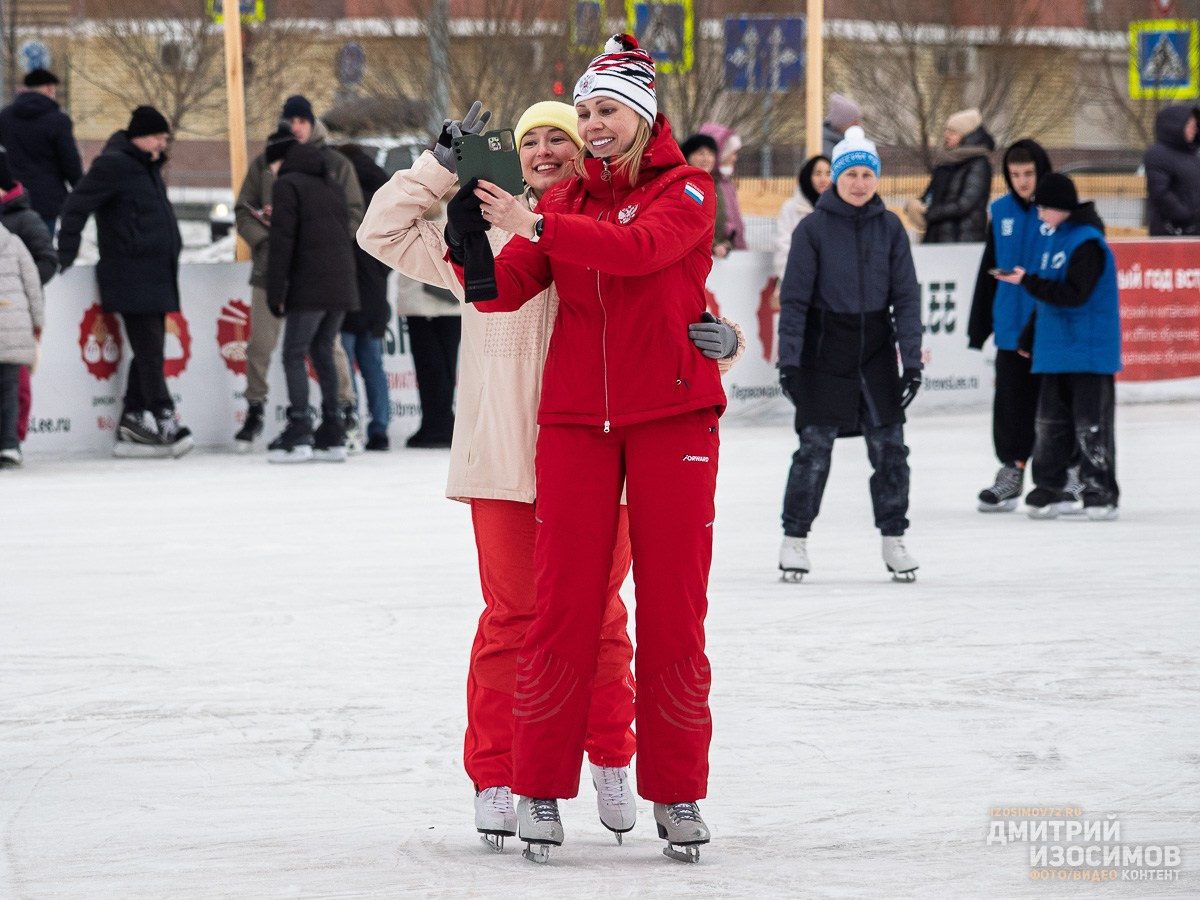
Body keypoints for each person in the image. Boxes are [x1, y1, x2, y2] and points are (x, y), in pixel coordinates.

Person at [358, 95, 744, 854]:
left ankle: (610, 759)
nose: (544, 149)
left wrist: (725, 340)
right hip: (508, 461)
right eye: (530, 139)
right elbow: (380, 230)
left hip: (615, 454)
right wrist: (441, 166)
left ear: (587, 152)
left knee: (600, 619)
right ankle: (499, 774)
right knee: (515, 617)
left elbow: (682, 312)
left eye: (559, 138)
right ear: (513, 157)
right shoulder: (480, 241)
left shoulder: (616, 230)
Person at [451, 35, 727, 862]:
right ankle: (537, 786)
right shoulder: (563, 202)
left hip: (673, 418)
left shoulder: (688, 190)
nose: (591, 124)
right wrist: (472, 229)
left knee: (675, 608)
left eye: (605, 110)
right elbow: (503, 293)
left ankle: (675, 793)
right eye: (584, 111)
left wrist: (535, 220)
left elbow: (638, 253)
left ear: (640, 116)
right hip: (574, 423)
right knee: (559, 606)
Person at [777, 126, 923, 582]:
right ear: (835, 179)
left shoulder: (891, 227)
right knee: (814, 451)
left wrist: (912, 361)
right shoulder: (812, 229)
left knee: (891, 451)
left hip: (876, 350)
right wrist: (790, 362)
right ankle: (794, 540)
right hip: (825, 351)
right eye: (851, 174)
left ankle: (894, 538)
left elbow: (907, 299)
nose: (860, 183)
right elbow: (795, 300)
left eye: (867, 174)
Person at [57, 105, 192, 458]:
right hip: (130, 272)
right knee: (149, 349)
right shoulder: (113, 165)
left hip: (156, 274)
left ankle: (132, 418)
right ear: (141, 136)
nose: (163, 145)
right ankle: (163, 414)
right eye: (160, 137)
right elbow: (75, 206)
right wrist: (65, 253)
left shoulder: (147, 168)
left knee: (151, 348)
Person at [233, 95, 363, 452]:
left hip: (309, 274)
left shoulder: (331, 166)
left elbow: (352, 214)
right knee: (265, 344)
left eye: (301, 121)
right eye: (290, 122)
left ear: (312, 123)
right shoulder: (267, 161)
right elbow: (244, 209)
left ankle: (328, 415)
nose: (296, 128)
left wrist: (323, 239)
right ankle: (264, 410)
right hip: (281, 268)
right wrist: (264, 241)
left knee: (315, 347)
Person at [994, 173, 1121, 521]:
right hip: (1054, 351)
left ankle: (1099, 490)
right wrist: (1028, 335)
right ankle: (1049, 486)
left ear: (1060, 208)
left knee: (1090, 425)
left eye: (1043, 208)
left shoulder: (1087, 242)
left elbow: (1074, 295)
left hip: (1088, 353)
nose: (1039, 216)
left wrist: (1026, 281)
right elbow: (1047, 296)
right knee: (1049, 424)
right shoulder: (1055, 240)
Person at [967, 140, 1053, 512]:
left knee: (1052, 406)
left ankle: (1059, 474)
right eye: (1015, 175)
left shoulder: (1057, 211)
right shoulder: (999, 211)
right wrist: (979, 325)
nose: (1022, 181)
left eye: (1028, 174)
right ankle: (1012, 470)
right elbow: (989, 269)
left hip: (1049, 326)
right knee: (1010, 402)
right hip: (1009, 326)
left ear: (1041, 172)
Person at [262, 128, 358, 463]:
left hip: (310, 285)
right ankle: (333, 430)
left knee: (293, 353)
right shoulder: (329, 182)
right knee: (322, 350)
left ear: (279, 160)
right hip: (341, 284)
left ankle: (300, 428)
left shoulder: (287, 184)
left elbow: (283, 243)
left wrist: (276, 292)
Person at [0, 145, 58, 456]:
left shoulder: (24, 220)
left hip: (12, 315)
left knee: (14, 384)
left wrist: (17, 289)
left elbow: (48, 260)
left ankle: (13, 439)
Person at [336, 143, 392, 451]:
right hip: (375, 294)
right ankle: (380, 429)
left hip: (347, 292)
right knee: (374, 365)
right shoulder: (385, 192)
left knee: (346, 362)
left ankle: (351, 423)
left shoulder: (343, 192)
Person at [0, 67, 83, 234]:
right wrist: (81, 188)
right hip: (47, 200)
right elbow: (69, 161)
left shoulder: (5, 116)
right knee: (42, 251)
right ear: (49, 88)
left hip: (11, 196)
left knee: (10, 253)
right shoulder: (58, 120)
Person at [913, 108, 995, 244]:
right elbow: (932, 194)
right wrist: (918, 204)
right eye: (946, 131)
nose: (946, 135)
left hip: (963, 239)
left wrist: (930, 213)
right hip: (936, 238)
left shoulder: (979, 164)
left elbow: (965, 204)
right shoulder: (946, 161)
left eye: (952, 132)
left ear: (967, 135)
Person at [0, 223, 43, 469]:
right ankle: (9, 445)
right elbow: (33, 287)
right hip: (14, 326)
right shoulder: (15, 243)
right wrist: (38, 323)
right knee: (9, 391)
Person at [771, 154, 831, 307]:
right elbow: (783, 245)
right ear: (807, 176)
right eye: (818, 173)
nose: (823, 179)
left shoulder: (838, 209)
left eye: (828, 173)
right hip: (799, 286)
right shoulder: (792, 208)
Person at [1143, 103, 1200, 236]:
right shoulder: (1158, 154)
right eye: (1189, 125)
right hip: (1170, 232)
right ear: (1176, 126)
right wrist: (1185, 215)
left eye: (1195, 125)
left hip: (1194, 231)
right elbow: (1160, 193)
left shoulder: (1192, 156)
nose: (1194, 129)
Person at [679, 133, 731, 258]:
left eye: (710, 154)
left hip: (716, 255)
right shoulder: (685, 184)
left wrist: (726, 243)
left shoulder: (716, 184)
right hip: (690, 256)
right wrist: (713, 245)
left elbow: (723, 223)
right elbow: (686, 225)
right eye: (700, 153)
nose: (706, 159)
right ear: (688, 155)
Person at [698, 122, 746, 250]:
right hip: (714, 253)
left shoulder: (725, 182)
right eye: (732, 153)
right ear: (721, 153)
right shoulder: (705, 184)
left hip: (730, 251)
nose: (735, 158)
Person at [822, 92, 862, 157]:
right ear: (841, 123)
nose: (859, 125)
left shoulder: (846, 142)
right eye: (854, 122)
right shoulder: (825, 147)